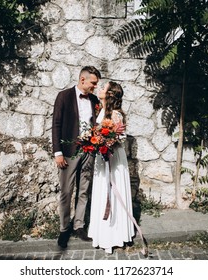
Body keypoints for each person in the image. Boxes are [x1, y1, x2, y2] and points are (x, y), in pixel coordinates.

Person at [52, 66, 102, 249]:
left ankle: (79, 225)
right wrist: (58, 152)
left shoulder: (95, 100)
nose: (95, 87)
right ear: (83, 80)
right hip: (68, 152)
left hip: (89, 151)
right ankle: (64, 229)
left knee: (83, 190)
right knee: (66, 192)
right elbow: (56, 124)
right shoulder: (63, 96)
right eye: (93, 83)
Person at [87, 81, 135, 254]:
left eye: (103, 88)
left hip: (113, 158)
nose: (99, 89)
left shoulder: (116, 114)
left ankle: (113, 236)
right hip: (102, 157)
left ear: (110, 94)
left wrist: (106, 143)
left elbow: (120, 138)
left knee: (113, 192)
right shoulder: (102, 110)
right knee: (102, 190)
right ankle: (102, 233)